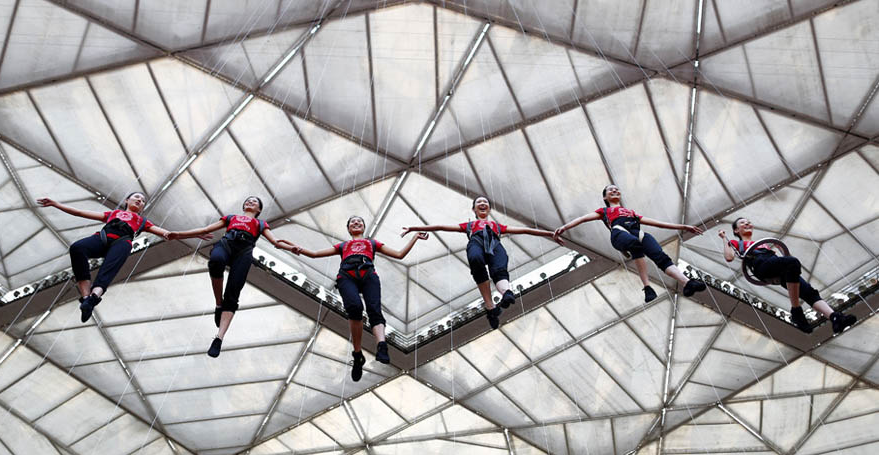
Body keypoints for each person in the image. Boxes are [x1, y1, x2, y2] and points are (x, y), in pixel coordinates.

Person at [286, 216, 427, 382]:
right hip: (347, 275)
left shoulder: (372, 243)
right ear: (348, 228)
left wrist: (415, 238)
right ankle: (357, 354)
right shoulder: (344, 245)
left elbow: (399, 254)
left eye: (359, 221)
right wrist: (297, 249)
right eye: (352, 221)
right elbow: (316, 254)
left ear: (364, 227)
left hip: (368, 274)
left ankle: (382, 345)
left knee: (374, 309)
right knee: (354, 308)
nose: (356, 222)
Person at [401, 196, 561, 330]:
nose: (483, 204)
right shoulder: (469, 225)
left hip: (494, 243)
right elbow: (441, 226)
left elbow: (526, 230)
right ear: (474, 210)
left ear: (489, 209)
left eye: (485, 202)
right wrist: (414, 227)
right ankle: (490, 307)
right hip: (476, 241)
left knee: (499, 267)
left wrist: (549, 233)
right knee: (476, 260)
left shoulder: (498, 226)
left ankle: (506, 293)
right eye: (479, 203)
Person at [38, 192, 203, 322]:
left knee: (108, 269)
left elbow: (167, 234)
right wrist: (56, 204)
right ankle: (86, 297)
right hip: (102, 238)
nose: (139, 200)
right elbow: (81, 213)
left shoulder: (142, 221)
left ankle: (93, 298)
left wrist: (194, 233)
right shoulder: (113, 214)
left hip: (122, 243)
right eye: (136, 197)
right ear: (127, 200)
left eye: (143, 200)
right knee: (77, 248)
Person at [166, 196, 296, 357]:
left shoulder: (261, 224)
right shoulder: (231, 218)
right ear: (243, 206)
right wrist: (179, 234)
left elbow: (275, 241)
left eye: (254, 202)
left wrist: (294, 248)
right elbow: (206, 230)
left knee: (233, 291)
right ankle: (218, 303)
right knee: (216, 260)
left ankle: (219, 337)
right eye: (248, 200)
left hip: (245, 251)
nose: (250, 202)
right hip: (227, 243)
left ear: (259, 210)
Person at [555, 185, 706, 303]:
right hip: (619, 233)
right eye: (610, 189)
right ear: (605, 196)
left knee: (659, 255)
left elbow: (658, 224)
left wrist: (682, 227)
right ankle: (647, 287)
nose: (614, 190)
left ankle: (687, 283)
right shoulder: (604, 211)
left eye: (616, 189)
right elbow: (583, 218)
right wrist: (564, 227)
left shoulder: (631, 212)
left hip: (636, 233)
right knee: (634, 244)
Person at [719, 218, 856, 334]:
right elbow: (729, 257)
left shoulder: (764, 243)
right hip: (761, 265)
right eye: (743, 223)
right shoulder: (737, 243)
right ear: (736, 230)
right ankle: (796, 310)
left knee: (809, 292)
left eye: (749, 222)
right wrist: (725, 239)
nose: (747, 224)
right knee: (792, 262)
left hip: (777, 267)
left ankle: (835, 318)